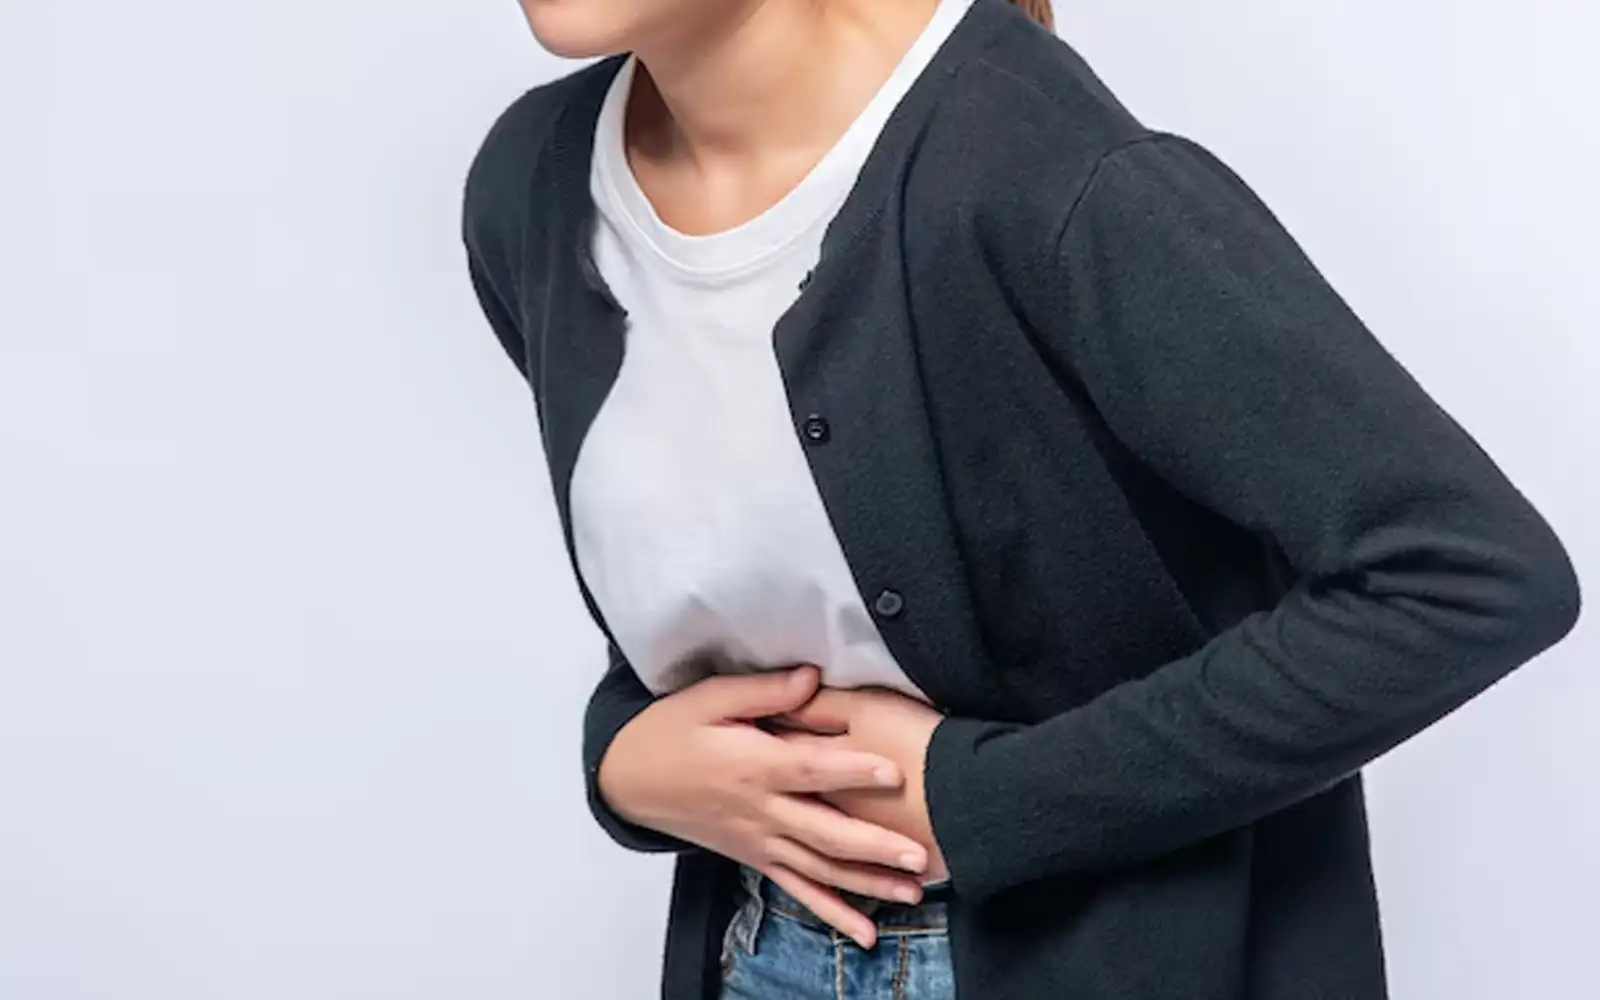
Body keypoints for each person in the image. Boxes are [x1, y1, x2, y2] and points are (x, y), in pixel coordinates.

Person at [460, 0, 1581, 996]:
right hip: (757, 949)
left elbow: (1465, 575)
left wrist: (981, 803)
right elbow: (750, 571)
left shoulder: (1039, 172)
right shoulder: (534, 190)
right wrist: (621, 756)